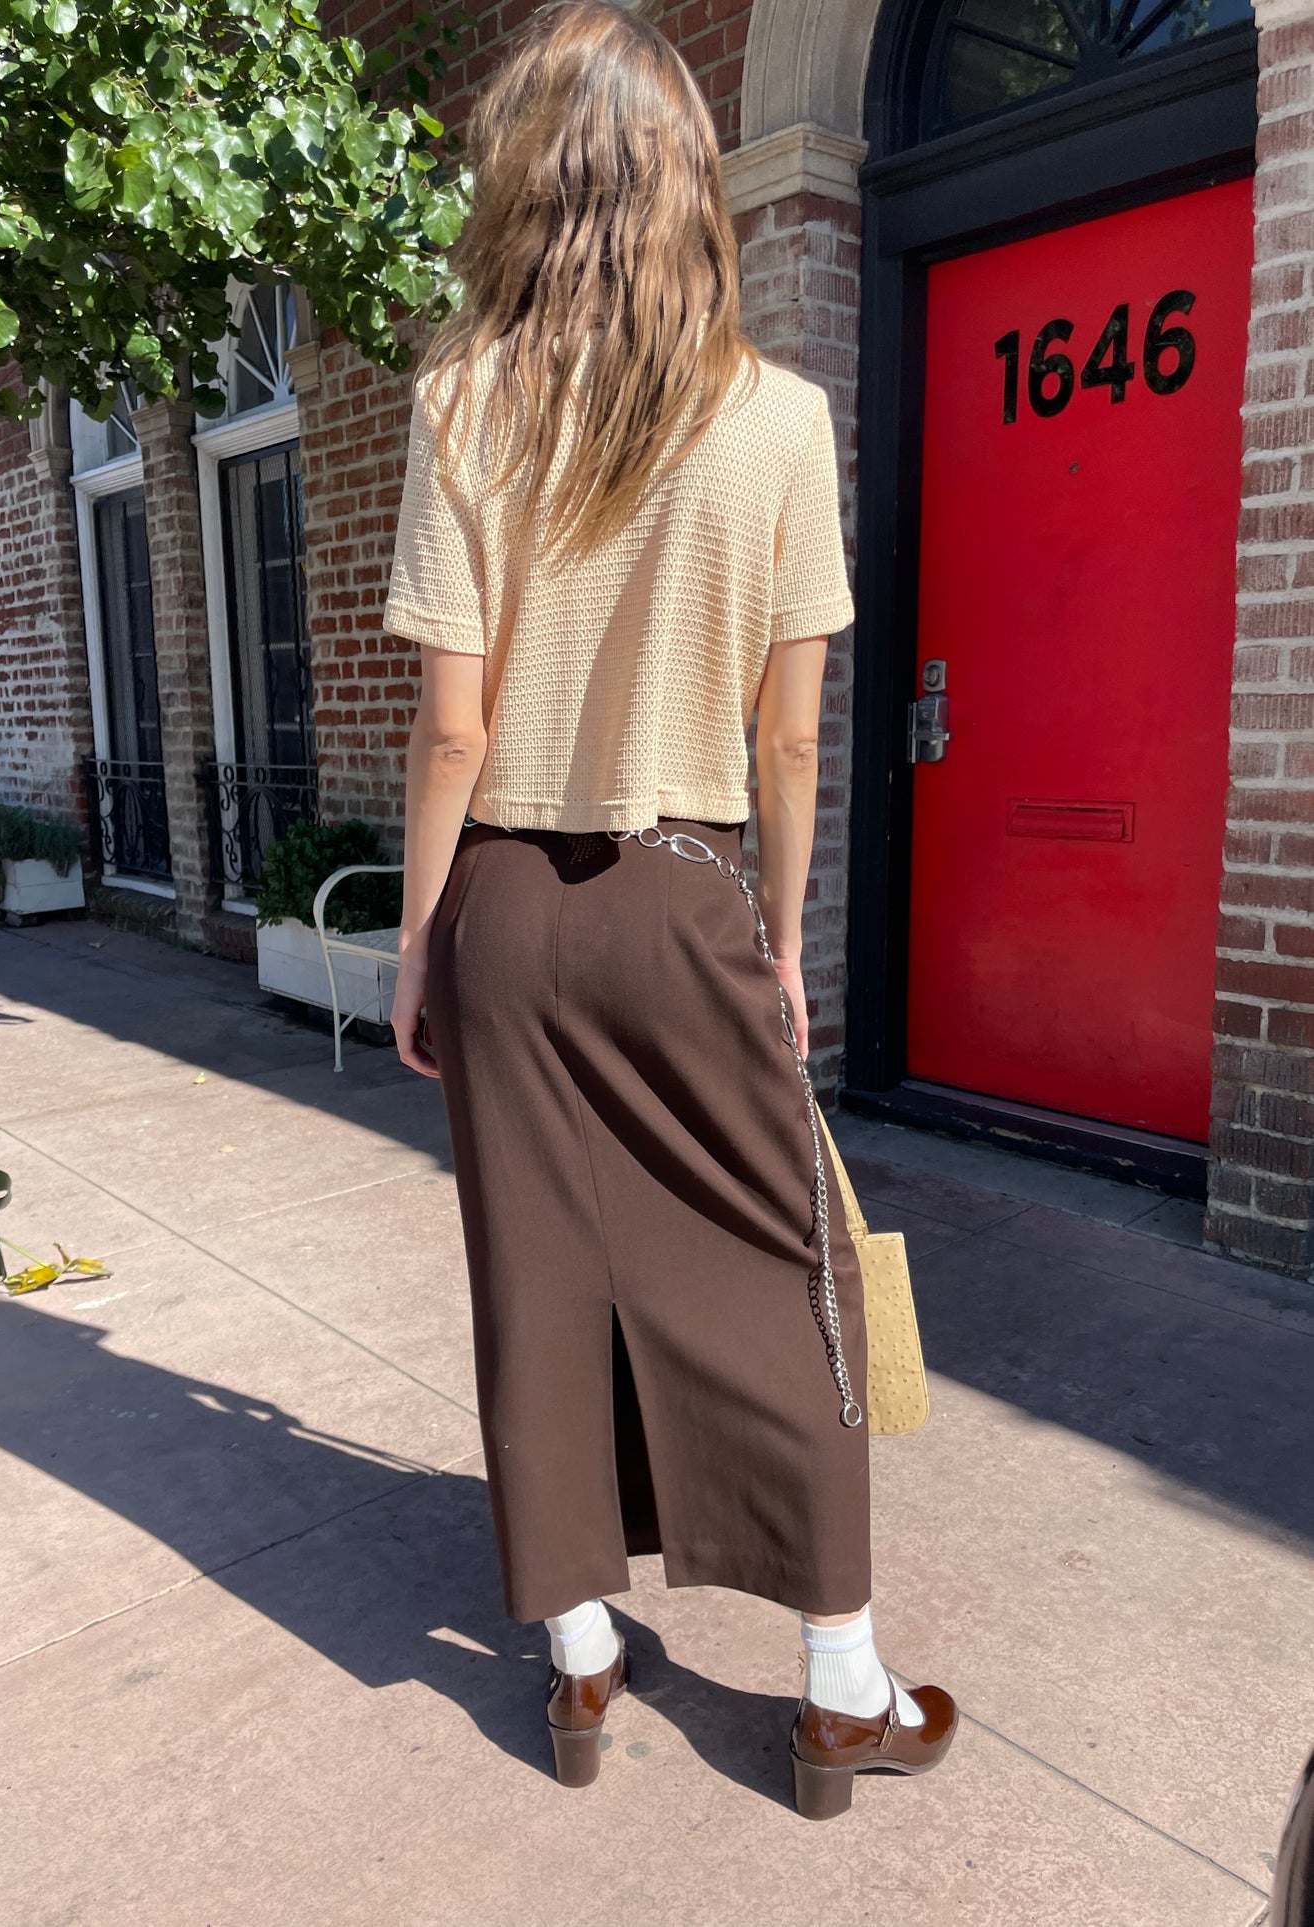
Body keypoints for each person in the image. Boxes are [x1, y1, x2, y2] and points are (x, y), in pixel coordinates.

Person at [384, 0, 957, 1818]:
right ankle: (837, 1688)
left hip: (500, 909)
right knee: (775, 1285)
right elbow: (790, 738)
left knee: (533, 1282)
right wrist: (784, 945)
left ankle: (573, 1667)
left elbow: (455, 722)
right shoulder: (776, 421)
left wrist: (415, 943)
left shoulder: (459, 402)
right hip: (689, 893)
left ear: (523, 187)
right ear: (692, 184)